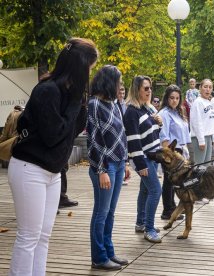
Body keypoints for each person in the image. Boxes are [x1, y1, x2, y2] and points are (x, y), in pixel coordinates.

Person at [7, 38, 98, 276]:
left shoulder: (69, 94)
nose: (90, 73)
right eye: (89, 67)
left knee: (43, 237)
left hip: (53, 172)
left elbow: (74, 130)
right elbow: (53, 135)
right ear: (79, 66)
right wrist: (76, 104)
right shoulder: (47, 91)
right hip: (30, 168)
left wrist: (79, 102)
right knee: (28, 236)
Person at [87, 65, 130, 270]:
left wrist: (126, 161)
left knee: (110, 212)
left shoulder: (114, 103)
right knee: (101, 213)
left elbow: (121, 134)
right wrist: (101, 170)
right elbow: (94, 141)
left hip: (119, 163)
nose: (121, 85)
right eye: (119, 81)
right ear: (109, 81)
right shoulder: (94, 103)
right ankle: (99, 257)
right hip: (105, 166)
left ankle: (109, 252)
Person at [124, 75, 163, 243]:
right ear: (137, 90)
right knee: (156, 190)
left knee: (146, 190)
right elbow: (133, 140)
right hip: (143, 157)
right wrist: (140, 164)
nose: (149, 91)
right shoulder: (132, 111)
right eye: (145, 88)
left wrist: (159, 123)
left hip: (152, 155)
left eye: (150, 88)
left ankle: (141, 223)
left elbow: (152, 133)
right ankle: (149, 228)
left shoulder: (147, 108)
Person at [158, 84, 190, 220]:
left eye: (177, 98)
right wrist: (169, 156)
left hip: (180, 150)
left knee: (176, 180)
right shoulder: (164, 113)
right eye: (172, 98)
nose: (174, 101)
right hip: (170, 151)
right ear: (167, 98)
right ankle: (167, 210)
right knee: (168, 180)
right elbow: (163, 135)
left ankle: (173, 205)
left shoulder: (178, 112)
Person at [189, 79, 214, 165]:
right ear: (200, 88)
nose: (208, 89)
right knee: (200, 165)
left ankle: (204, 179)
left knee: (207, 166)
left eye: (210, 87)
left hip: (208, 136)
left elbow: (211, 121)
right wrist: (201, 140)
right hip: (199, 137)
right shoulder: (197, 102)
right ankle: (196, 179)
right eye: (205, 87)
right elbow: (196, 122)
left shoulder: (209, 102)